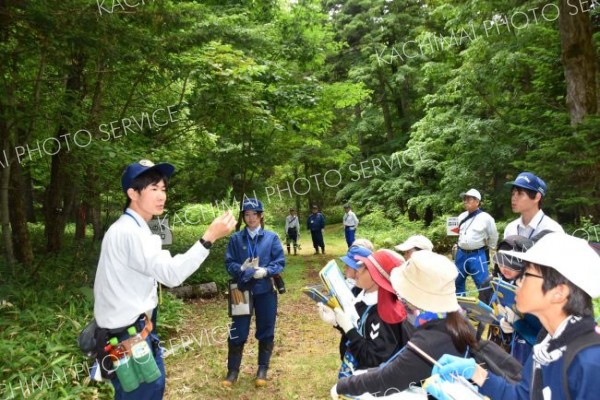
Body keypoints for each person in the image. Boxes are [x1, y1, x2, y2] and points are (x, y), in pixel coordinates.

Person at [93, 159, 236, 399]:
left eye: (163, 189)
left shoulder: (130, 228)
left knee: (150, 390)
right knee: (144, 394)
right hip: (128, 337)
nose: (161, 196)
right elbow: (171, 274)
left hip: (132, 331)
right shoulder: (130, 232)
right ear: (132, 193)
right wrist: (209, 236)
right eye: (153, 189)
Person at [429, 233, 600, 400]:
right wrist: (476, 372)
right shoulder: (547, 346)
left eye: (526, 275)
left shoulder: (590, 360)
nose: (518, 282)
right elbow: (523, 395)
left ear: (559, 293)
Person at [331, 250, 477, 398]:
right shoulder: (457, 321)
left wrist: (343, 386)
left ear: (417, 292)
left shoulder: (427, 342)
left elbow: (390, 378)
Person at [223, 198, 285, 387]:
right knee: (238, 330)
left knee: (266, 328)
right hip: (240, 290)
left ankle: (262, 370)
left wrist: (266, 271)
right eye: (247, 215)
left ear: (261, 215)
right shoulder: (236, 238)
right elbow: (229, 262)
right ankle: (232, 371)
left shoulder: (271, 237)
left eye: (254, 214)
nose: (250, 218)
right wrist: (240, 269)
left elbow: (279, 261)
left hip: (265, 289)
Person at [454, 188, 499, 295]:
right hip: (460, 254)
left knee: (483, 284)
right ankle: (461, 307)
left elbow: (493, 235)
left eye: (469, 199)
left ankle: (485, 308)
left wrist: (490, 249)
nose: (465, 201)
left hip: (477, 255)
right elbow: (457, 233)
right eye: (465, 199)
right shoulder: (461, 216)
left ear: (477, 201)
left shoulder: (486, 218)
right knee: (457, 281)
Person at [504, 171, 564, 239]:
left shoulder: (553, 230)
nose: (514, 198)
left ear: (537, 197)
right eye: (513, 194)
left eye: (520, 194)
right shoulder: (510, 229)